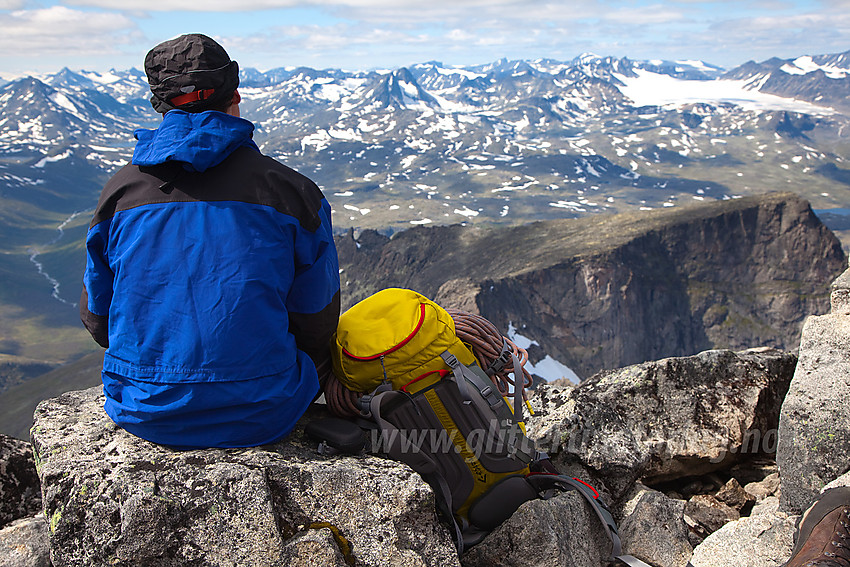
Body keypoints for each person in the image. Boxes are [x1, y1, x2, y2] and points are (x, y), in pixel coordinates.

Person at [79, 33, 340, 450]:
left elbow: (97, 317)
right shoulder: (293, 192)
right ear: (235, 95)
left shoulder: (120, 193)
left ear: (159, 106)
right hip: (263, 410)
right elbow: (317, 321)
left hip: (142, 407)